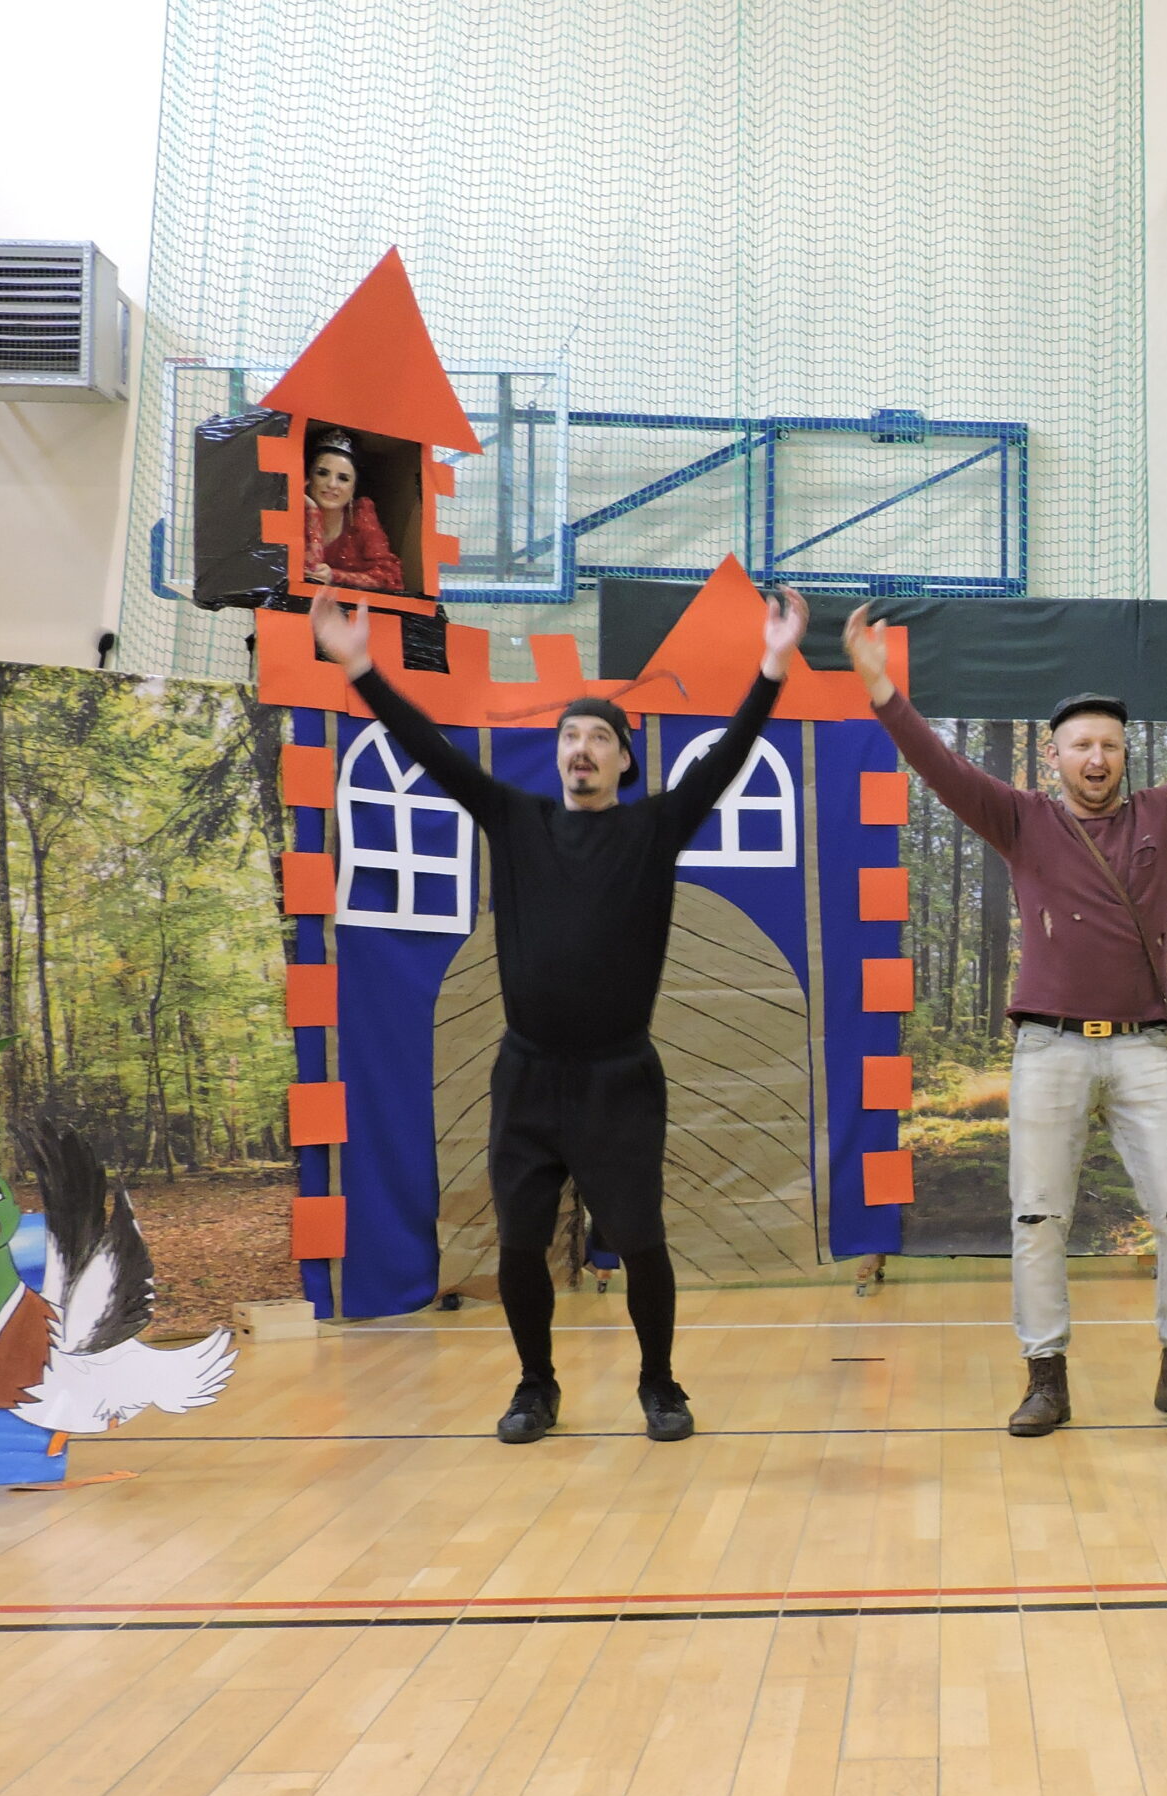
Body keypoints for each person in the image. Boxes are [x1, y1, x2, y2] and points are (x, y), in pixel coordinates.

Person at [308, 584, 807, 1443]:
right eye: (570, 736)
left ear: (623, 761)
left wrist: (771, 666)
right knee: (519, 1243)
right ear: (559, 755)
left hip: (621, 1079)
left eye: (599, 738)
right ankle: (536, 1386)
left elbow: (727, 759)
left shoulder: (654, 829)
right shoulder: (516, 819)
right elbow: (429, 750)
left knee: (641, 1239)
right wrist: (360, 668)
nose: (582, 748)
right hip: (528, 1077)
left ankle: (660, 1384)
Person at [842, 600, 1167, 1437]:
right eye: (1081, 745)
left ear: (1124, 754)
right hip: (1050, 1050)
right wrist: (880, 688)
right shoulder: (1020, 820)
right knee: (1038, 1220)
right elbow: (938, 765)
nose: (1097, 758)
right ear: (1054, 756)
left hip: (1147, 1052)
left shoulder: (1166, 814)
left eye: (1109, 745)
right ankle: (1046, 1378)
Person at [302, 429, 407, 593]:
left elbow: (389, 578)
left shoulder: (361, 515)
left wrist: (335, 576)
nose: (332, 484)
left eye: (343, 478)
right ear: (308, 479)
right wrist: (312, 513)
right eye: (322, 473)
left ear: (353, 488)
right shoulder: (291, 515)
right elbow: (309, 574)